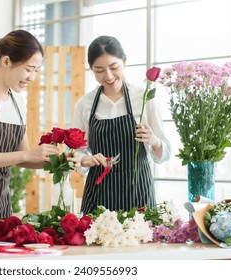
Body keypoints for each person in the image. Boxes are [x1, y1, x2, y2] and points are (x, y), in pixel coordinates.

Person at [0, 29, 58, 227]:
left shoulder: (17, 101)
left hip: (1, 207)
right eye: (29, 69)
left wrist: (56, 160)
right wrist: (26, 156)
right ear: (6, 61)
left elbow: (24, 156)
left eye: (36, 70)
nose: (33, 77)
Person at [73, 35, 171, 214]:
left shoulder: (144, 99)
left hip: (138, 195)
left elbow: (164, 153)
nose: (108, 76)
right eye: (99, 70)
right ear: (92, 70)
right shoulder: (84, 104)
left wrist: (154, 141)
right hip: (98, 196)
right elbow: (75, 151)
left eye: (114, 67)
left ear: (125, 61)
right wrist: (86, 159)